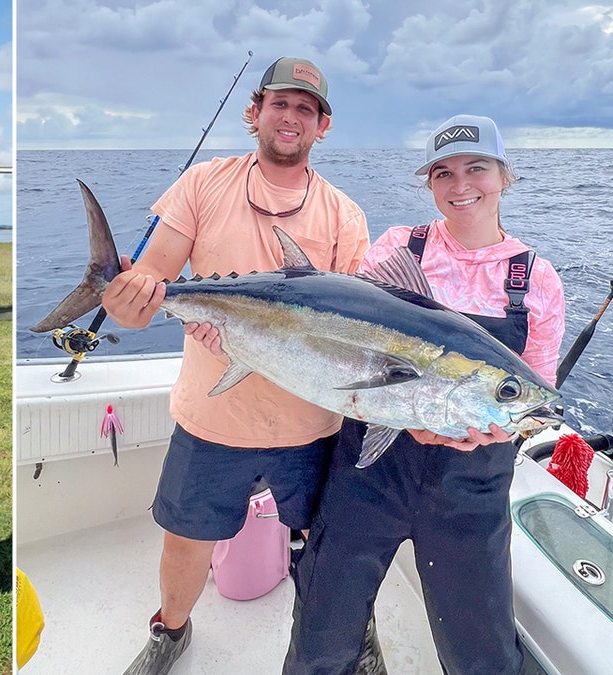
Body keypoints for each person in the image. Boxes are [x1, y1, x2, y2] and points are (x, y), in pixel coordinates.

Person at [100, 57, 370, 675]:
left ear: (322, 127)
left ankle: (353, 635)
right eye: (280, 103)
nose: (291, 117)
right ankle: (170, 631)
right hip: (212, 415)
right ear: (255, 112)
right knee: (186, 540)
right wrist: (126, 295)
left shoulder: (346, 216)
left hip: (312, 424)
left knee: (328, 551)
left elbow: (352, 328)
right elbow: (146, 299)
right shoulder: (202, 185)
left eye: (307, 108)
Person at [283, 114, 566, 674]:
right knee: (321, 635)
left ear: (504, 177)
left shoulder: (535, 280)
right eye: (443, 173)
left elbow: (533, 397)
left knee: (479, 654)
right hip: (370, 476)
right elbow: (346, 343)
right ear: (429, 183)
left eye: (476, 168)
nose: (460, 186)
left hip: (471, 490)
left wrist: (500, 428)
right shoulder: (399, 249)